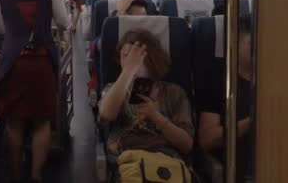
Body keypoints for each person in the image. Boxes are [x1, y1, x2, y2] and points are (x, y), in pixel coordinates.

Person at [0, 0, 70, 182]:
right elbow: (64, 22)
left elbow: (0, 28)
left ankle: (15, 174)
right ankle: (36, 176)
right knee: (41, 122)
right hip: (42, 62)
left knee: (14, 123)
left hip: (12, 63)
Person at [99, 29, 194, 182]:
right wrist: (129, 71)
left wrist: (157, 118)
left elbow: (186, 145)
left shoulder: (174, 92)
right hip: (127, 161)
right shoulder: (114, 89)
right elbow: (106, 114)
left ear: (152, 59)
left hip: (167, 161)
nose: (129, 61)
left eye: (136, 57)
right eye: (125, 56)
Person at [197, 15, 253, 182]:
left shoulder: (279, 75)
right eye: (253, 43)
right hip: (244, 167)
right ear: (235, 43)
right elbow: (207, 139)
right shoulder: (218, 78)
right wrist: (251, 121)